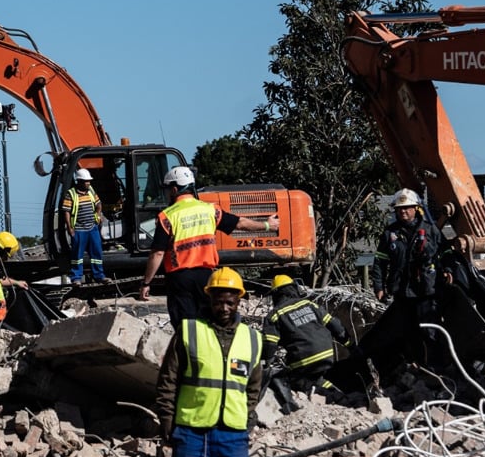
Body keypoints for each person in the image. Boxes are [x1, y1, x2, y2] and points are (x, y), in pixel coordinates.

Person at [154, 267, 264, 457]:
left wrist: (247, 417)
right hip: (192, 431)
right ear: (209, 300)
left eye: (230, 302)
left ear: (239, 301)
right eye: (218, 301)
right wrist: (167, 421)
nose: (224, 308)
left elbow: (253, 386)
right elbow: (168, 380)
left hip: (232, 434)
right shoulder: (190, 331)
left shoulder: (252, 339)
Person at [138, 166, 280, 329]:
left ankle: (189, 353)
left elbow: (158, 253)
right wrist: (267, 225)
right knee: (209, 323)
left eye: (168, 190)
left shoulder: (167, 216)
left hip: (180, 279)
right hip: (206, 277)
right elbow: (240, 223)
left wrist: (146, 283)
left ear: (175, 189)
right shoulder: (211, 210)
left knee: (184, 327)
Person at [367, 188, 449, 373]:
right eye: (399, 209)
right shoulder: (390, 233)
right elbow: (380, 261)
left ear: (416, 209)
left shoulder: (430, 230)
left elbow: (446, 253)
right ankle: (415, 366)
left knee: (430, 329)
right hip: (402, 292)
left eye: (407, 208)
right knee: (408, 331)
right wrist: (379, 286)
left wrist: (449, 270)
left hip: (426, 290)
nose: (403, 211)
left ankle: (438, 367)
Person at [263, 274, 347, 398]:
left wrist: (266, 366)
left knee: (291, 379)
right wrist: (350, 345)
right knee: (316, 376)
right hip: (328, 354)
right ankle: (334, 391)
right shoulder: (310, 305)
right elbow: (335, 326)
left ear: (275, 294)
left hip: (303, 359)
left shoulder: (275, 315)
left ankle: (318, 392)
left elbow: (270, 344)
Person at [62, 168, 107, 285]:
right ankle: (76, 277)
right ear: (79, 181)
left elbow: (98, 204)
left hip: (92, 228)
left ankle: (99, 275)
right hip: (79, 229)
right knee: (77, 255)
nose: (88, 183)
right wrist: (69, 227)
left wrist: (97, 215)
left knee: (96, 253)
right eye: (86, 181)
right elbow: (66, 211)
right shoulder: (71, 194)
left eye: (89, 181)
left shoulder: (91, 191)